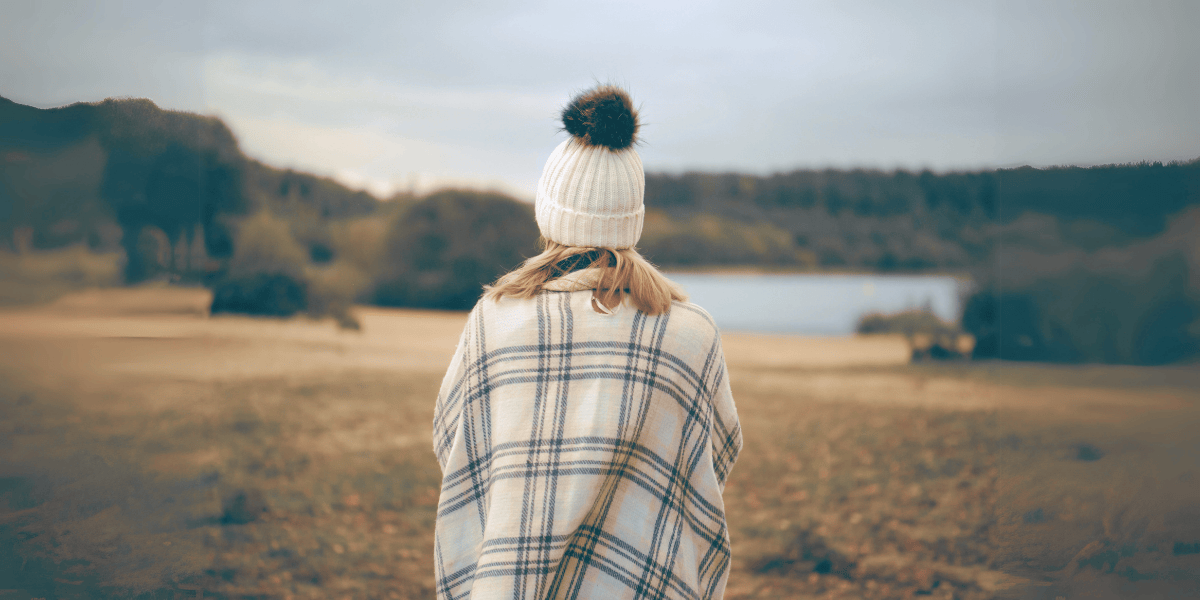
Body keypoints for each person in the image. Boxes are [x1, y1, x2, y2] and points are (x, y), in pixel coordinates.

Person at [432, 85, 742, 600]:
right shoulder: (693, 333)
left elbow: (456, 446)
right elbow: (715, 456)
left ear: (548, 212)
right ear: (631, 219)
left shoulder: (495, 319)